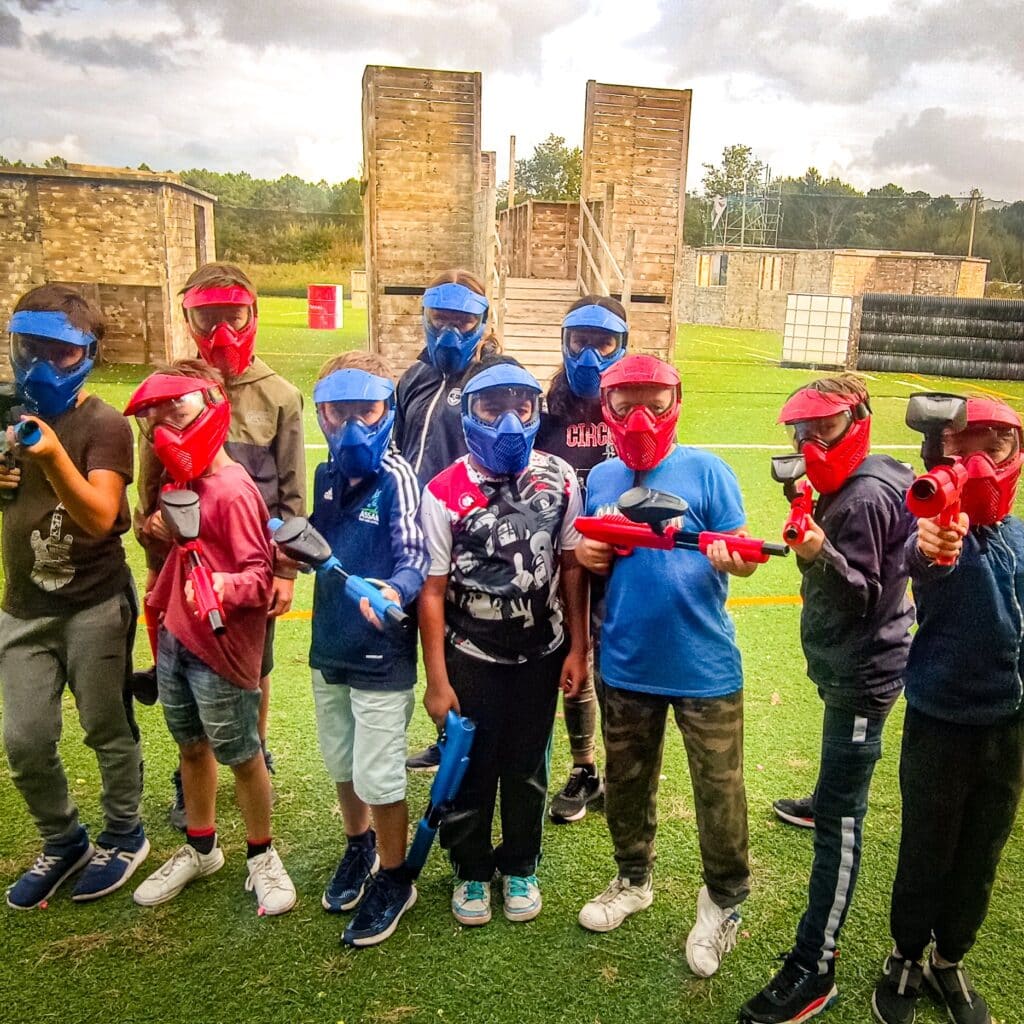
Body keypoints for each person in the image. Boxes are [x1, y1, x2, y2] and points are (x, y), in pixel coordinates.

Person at [575, 353, 758, 980]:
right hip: (625, 662)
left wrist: (736, 560)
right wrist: (594, 552)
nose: (641, 417)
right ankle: (632, 880)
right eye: (626, 404)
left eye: (655, 402)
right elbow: (588, 554)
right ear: (607, 408)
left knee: (720, 793)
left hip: (705, 664)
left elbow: (739, 551)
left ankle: (724, 901)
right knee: (626, 785)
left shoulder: (708, 470)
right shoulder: (599, 477)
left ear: (677, 400)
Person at [740, 374, 915, 1023]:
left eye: (826, 429)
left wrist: (816, 553)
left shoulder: (865, 497)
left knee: (843, 823)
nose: (811, 443)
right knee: (837, 775)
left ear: (858, 419)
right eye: (802, 433)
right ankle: (825, 799)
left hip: (864, 670)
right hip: (850, 661)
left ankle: (816, 967)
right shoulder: (870, 476)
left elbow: (863, 593)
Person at [418, 356, 589, 925]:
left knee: (526, 766)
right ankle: (470, 870)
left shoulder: (562, 480)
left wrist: (577, 647)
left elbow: (570, 570)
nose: (510, 420)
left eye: (522, 405)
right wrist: (438, 680)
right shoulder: (444, 491)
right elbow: (434, 593)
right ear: (468, 414)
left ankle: (520, 864)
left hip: (542, 654)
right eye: (493, 407)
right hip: (472, 658)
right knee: (471, 764)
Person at [134, 262, 305, 827]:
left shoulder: (279, 395)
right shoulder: (165, 396)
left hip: (248, 568)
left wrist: (283, 570)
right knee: (184, 669)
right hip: (184, 576)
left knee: (256, 666)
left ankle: (251, 748)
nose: (221, 334)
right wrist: (152, 529)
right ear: (189, 320)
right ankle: (196, 769)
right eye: (207, 321)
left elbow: (290, 495)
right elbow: (150, 492)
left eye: (232, 319)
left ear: (253, 315)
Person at [871, 398, 1023, 1024]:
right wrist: (935, 540)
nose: (980, 461)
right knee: (926, 847)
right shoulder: (934, 521)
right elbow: (926, 553)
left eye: (998, 446)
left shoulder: (1017, 533)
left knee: (982, 850)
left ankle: (948, 959)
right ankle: (905, 957)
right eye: (965, 447)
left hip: (1010, 724)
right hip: (939, 720)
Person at [1, 284, 147, 909]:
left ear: (89, 353)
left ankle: (124, 833)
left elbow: (98, 515)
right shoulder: (7, 412)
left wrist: (51, 455)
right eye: (29, 349)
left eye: (60, 354)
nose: (41, 366)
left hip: (94, 601)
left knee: (105, 726)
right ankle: (63, 839)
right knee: (25, 738)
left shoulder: (104, 425)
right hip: (23, 606)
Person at [128, 365, 295, 914]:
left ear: (210, 408)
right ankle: (202, 848)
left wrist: (224, 583)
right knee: (191, 747)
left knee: (243, 754)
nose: (164, 429)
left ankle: (261, 855)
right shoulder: (182, 483)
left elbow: (257, 571)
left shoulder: (232, 491)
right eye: (156, 420)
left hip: (221, 651)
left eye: (176, 413)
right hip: (177, 637)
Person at [308, 352, 429, 946]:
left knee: (380, 774)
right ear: (322, 414)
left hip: (382, 650)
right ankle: (359, 848)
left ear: (387, 412)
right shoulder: (325, 476)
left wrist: (394, 588)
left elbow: (415, 557)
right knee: (342, 760)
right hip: (329, 640)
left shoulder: (399, 477)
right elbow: (313, 538)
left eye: (367, 411)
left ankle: (395, 875)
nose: (353, 426)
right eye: (339, 412)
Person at [393, 269, 499, 772]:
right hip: (412, 534)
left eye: (463, 321)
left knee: (465, 644)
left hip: (471, 534)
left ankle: (479, 743)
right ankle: (446, 737)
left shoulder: (497, 378)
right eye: (441, 319)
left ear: (483, 320)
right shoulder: (413, 378)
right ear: (426, 318)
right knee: (427, 640)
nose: (450, 333)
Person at [536, 295, 625, 823]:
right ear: (565, 343)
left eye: (603, 343)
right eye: (579, 342)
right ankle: (584, 766)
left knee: (613, 659)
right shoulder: (548, 413)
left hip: (623, 560)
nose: (590, 356)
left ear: (622, 345)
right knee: (575, 653)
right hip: (562, 559)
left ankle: (621, 768)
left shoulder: (636, 405)